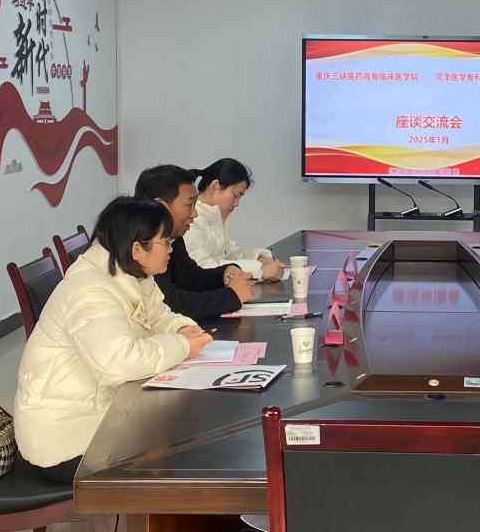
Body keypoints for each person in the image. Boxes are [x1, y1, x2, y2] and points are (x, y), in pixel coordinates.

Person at [14, 196, 213, 481]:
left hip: (99, 415)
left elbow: (158, 315)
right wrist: (181, 345)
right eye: (165, 242)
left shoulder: (132, 273)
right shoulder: (90, 292)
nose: (171, 249)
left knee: (185, 429)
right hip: (65, 440)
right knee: (179, 445)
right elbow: (119, 363)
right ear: (137, 249)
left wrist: (181, 329)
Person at [135, 164, 255, 319]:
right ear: (160, 206)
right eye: (189, 205)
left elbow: (192, 278)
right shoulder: (140, 246)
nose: (194, 214)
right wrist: (232, 296)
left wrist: (225, 272)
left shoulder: (174, 237)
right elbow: (171, 303)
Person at [184, 158, 284, 281]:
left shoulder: (215, 216)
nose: (237, 204)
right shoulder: (190, 219)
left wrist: (259, 258)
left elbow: (228, 254)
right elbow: (202, 267)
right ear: (214, 186)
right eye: (235, 195)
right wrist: (259, 270)